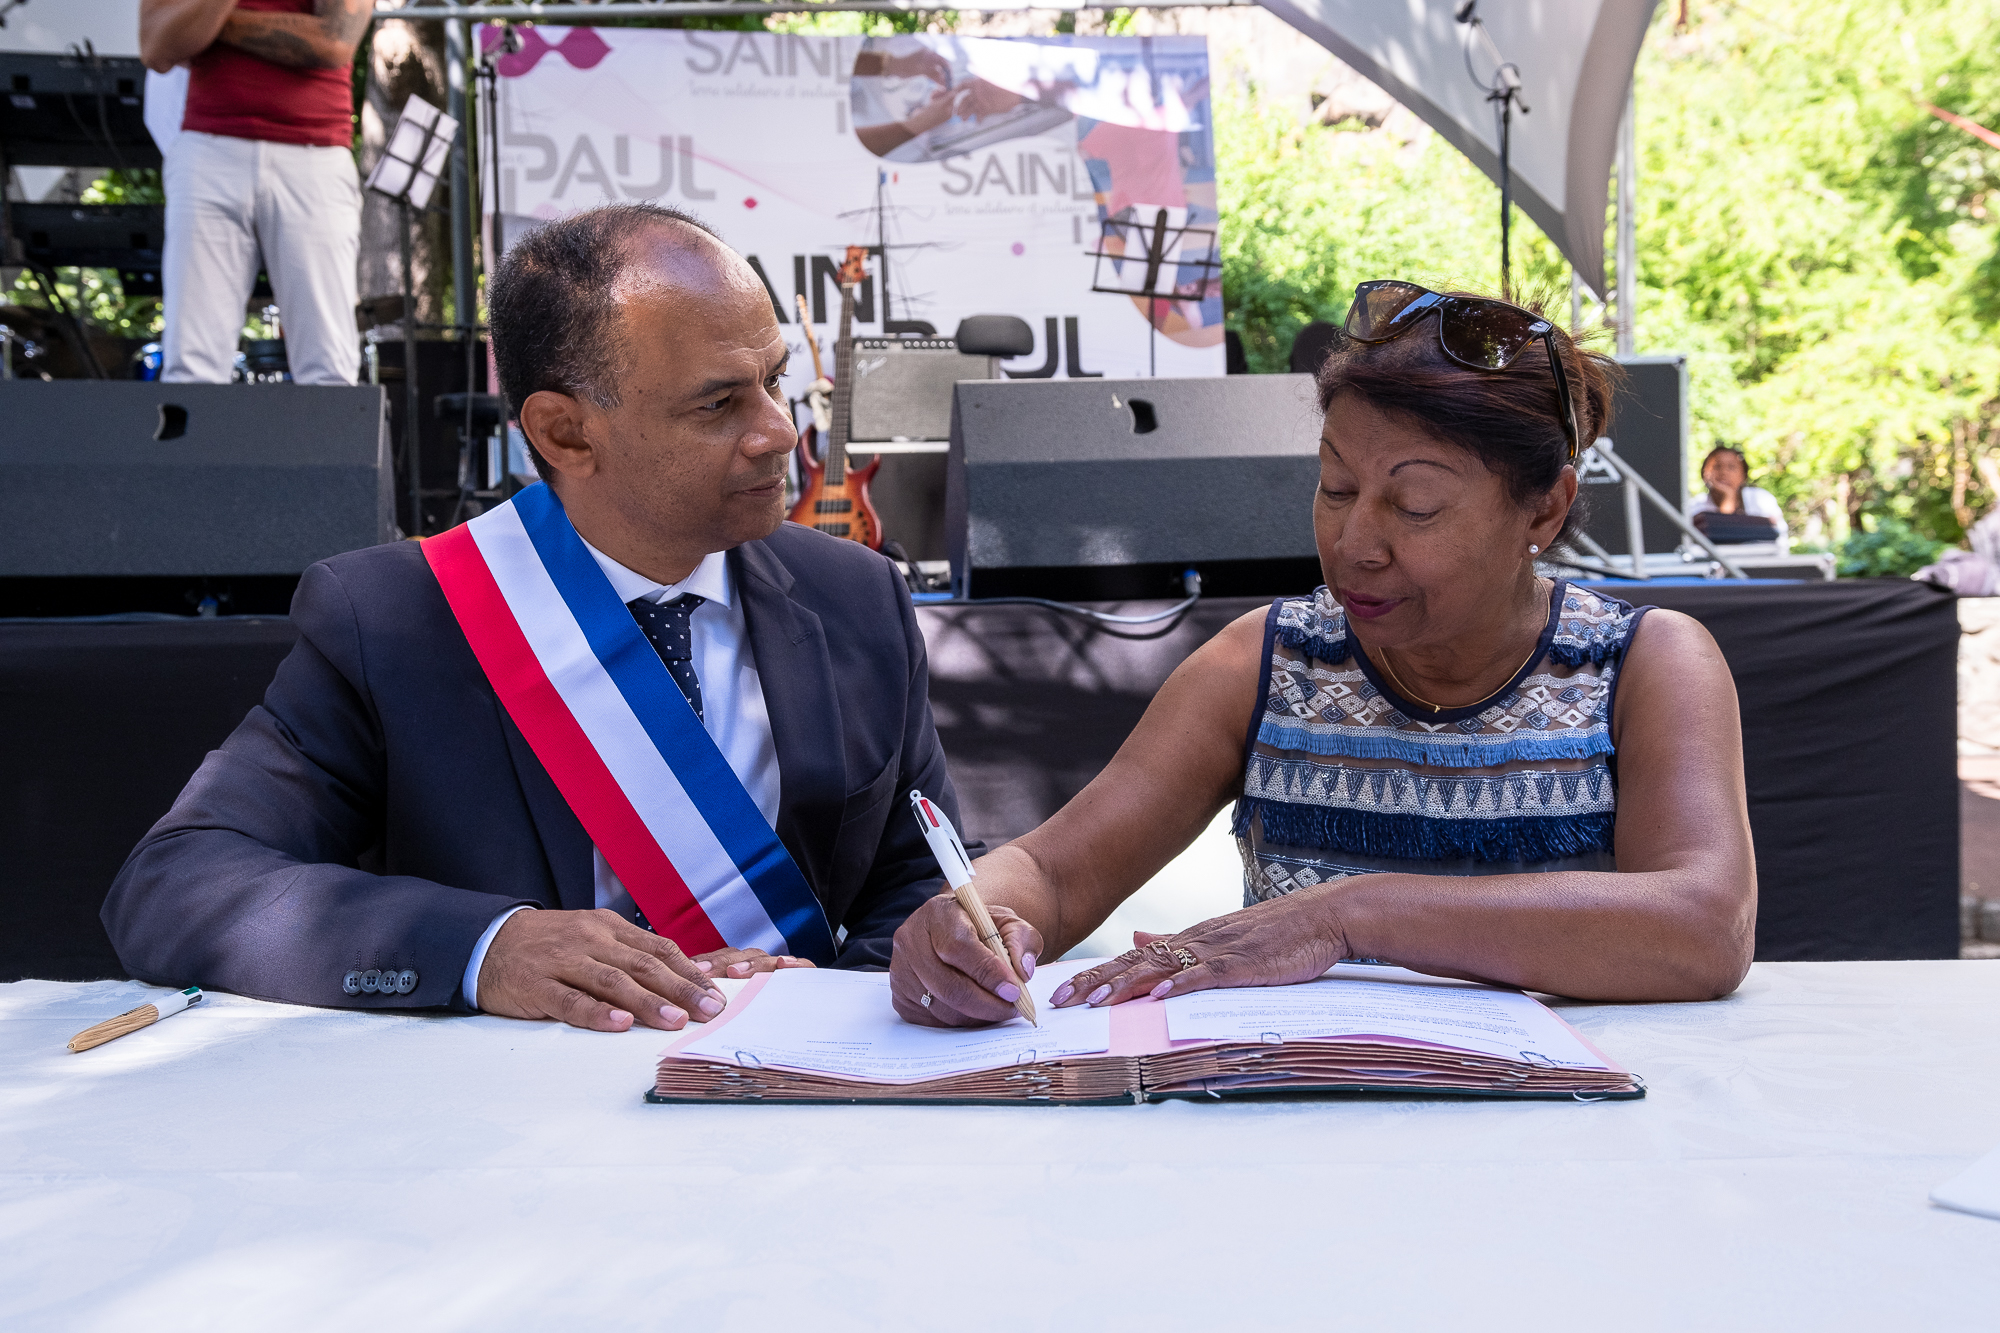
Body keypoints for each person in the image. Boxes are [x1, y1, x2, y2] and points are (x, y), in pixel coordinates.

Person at [105, 203, 981, 1034]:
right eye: (719, 404)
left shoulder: (857, 596)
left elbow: (918, 872)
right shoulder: (394, 620)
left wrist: (848, 992)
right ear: (565, 433)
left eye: (775, 382)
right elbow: (177, 882)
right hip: (516, 1135)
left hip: (796, 1104)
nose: (779, 431)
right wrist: (490, 949)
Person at [891, 281, 1756, 1024]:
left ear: (1544, 509)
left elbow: (1704, 924)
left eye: (1415, 505)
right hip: (1298, 1139)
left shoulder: (1643, 666)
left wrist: (1349, 916)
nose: (1355, 543)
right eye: (1335, 485)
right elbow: (1053, 865)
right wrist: (971, 919)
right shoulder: (1266, 662)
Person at [140, 0, 368, 385]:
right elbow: (156, 46)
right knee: (192, 365)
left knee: (328, 365)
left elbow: (333, 43)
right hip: (207, 150)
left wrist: (209, 27)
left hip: (315, 154)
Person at [1688, 445, 1788, 547]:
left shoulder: (1761, 499)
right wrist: (1728, 498)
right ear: (1705, 474)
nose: (1723, 472)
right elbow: (1724, 537)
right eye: (1717, 467)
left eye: (1731, 467)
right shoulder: (1695, 505)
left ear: (1743, 475)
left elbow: (1778, 532)